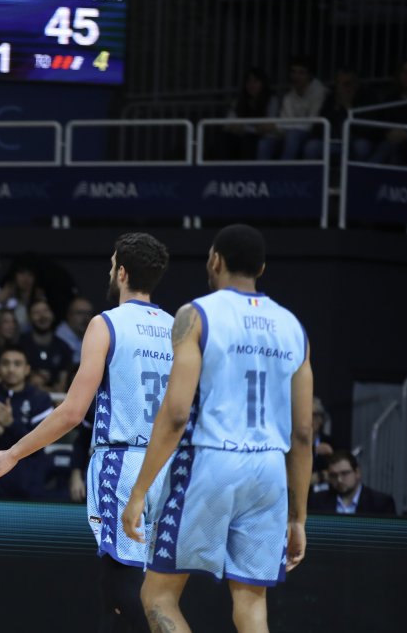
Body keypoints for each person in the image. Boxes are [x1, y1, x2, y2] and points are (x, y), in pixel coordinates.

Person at [0, 232, 173, 631]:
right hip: (166, 465)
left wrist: (13, 452)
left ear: (122, 272)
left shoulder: (106, 324)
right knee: (143, 589)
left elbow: (71, 412)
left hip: (123, 463)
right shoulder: (175, 327)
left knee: (125, 589)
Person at [121, 224, 313, 632]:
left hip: (211, 461)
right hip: (269, 471)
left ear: (215, 261)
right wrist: (299, 518)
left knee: (158, 595)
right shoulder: (293, 327)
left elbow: (175, 414)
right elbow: (303, 433)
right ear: (261, 267)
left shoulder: (196, 315)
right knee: (251, 605)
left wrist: (139, 492)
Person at [0, 346, 56, 498]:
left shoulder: (40, 399)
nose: (11, 369)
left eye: (17, 364)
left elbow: (40, 445)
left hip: (29, 482)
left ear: (27, 369)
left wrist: (10, 424)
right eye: (6, 363)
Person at [308, 451, 397, 516]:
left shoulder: (381, 503)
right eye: (334, 475)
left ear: (357, 473)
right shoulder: (317, 501)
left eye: (345, 473)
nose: (339, 479)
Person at [18, 300, 75, 392]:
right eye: (36, 313)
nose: (42, 316)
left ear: (53, 315)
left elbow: (62, 386)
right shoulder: (20, 345)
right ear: (29, 317)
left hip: (56, 400)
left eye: (46, 311)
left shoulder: (64, 347)